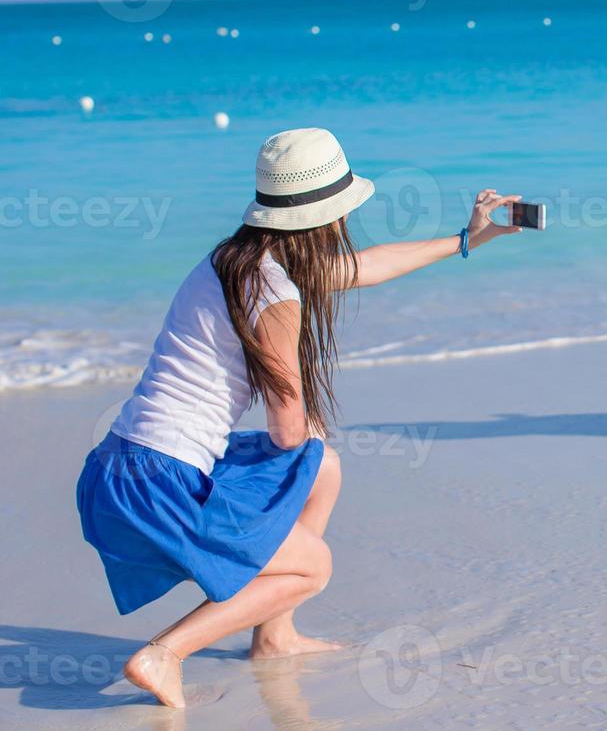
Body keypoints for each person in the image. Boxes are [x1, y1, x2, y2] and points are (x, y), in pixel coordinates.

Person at [74, 128, 525, 709]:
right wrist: (308, 432)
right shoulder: (275, 294)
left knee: (324, 466)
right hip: (158, 484)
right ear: (326, 216)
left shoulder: (237, 260)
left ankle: (274, 636)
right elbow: (288, 430)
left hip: (121, 468)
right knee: (313, 567)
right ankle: (165, 653)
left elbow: (361, 268)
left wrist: (467, 239)